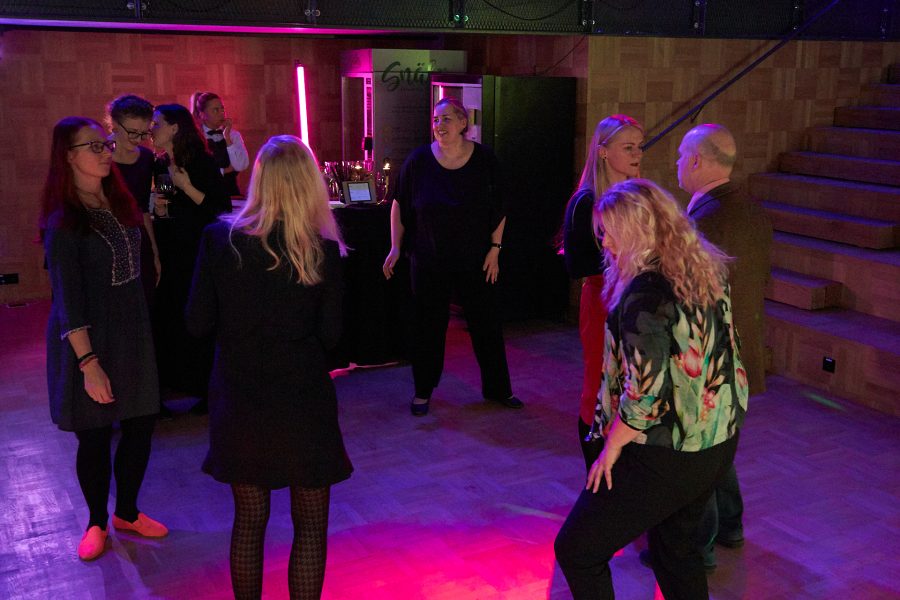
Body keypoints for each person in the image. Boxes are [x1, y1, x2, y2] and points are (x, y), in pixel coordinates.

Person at [554, 179, 748, 599]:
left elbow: (644, 395)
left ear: (636, 231)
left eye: (610, 233)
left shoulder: (644, 295)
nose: (604, 243)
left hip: (669, 451)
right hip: (716, 442)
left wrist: (611, 448)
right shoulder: (703, 272)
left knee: (577, 549)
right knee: (676, 552)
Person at [185, 135, 352, 599]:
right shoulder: (320, 249)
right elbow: (333, 336)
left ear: (259, 180)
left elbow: (196, 323)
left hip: (240, 394)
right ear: (309, 184)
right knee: (311, 526)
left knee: (249, 521)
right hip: (302, 399)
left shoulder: (219, 240)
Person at [40, 117, 168, 562]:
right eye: (93, 146)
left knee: (140, 425)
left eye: (105, 144)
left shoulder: (117, 201)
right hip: (88, 341)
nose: (105, 152)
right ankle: (96, 521)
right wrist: (88, 363)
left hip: (131, 333)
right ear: (68, 156)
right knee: (94, 435)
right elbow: (67, 300)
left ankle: (127, 512)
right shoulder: (63, 222)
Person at [382, 96, 522, 416]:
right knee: (428, 326)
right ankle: (423, 390)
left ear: (463, 123)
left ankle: (499, 388)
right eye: (435, 119)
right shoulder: (418, 161)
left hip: (476, 258)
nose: (439, 125)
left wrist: (496, 249)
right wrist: (395, 246)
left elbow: (499, 207)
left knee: (486, 323)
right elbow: (399, 203)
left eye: (446, 118)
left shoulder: (485, 159)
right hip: (428, 259)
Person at [675, 123, 772, 570]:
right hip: (742, 353)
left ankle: (699, 549)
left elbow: (692, 299)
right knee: (722, 447)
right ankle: (731, 525)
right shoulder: (754, 211)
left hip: (710, 359)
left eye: (681, 156)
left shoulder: (702, 221)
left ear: (697, 160)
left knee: (700, 454)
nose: (678, 163)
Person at [562, 114, 643, 471]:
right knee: (599, 380)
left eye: (639, 147)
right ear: (604, 152)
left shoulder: (634, 194)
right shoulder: (586, 202)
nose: (637, 154)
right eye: (629, 147)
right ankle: (595, 461)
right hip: (601, 299)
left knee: (629, 380)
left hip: (632, 299)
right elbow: (577, 265)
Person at [150, 103, 230, 413]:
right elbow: (169, 205)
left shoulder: (201, 161)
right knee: (171, 316)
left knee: (197, 315)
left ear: (174, 128)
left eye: (157, 123)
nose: (151, 129)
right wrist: (160, 208)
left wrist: (186, 186)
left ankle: (205, 389)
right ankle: (178, 383)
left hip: (197, 251)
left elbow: (219, 209)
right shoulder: (161, 162)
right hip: (172, 251)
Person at [106, 94, 160, 305]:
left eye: (143, 133)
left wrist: (154, 251)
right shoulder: (101, 157)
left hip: (137, 238)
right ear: (114, 124)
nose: (138, 139)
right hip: (107, 240)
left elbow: (143, 208)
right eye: (132, 132)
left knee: (144, 301)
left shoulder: (146, 157)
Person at [191, 91, 250, 197]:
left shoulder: (233, 135)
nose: (221, 113)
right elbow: (197, 172)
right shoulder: (195, 137)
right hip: (204, 195)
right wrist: (225, 170)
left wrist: (227, 137)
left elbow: (241, 165)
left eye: (222, 109)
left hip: (230, 193)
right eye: (215, 110)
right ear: (202, 114)